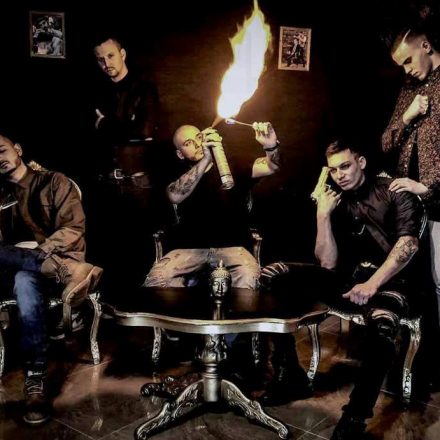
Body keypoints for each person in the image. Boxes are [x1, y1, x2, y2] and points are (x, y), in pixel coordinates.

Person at [260, 137, 429, 439]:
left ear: (361, 162)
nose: (340, 175)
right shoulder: (335, 198)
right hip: (350, 280)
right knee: (273, 275)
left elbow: (409, 244)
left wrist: (372, 284)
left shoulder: (393, 190)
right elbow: (327, 263)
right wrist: (322, 215)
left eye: (346, 166)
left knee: (383, 327)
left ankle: (355, 417)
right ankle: (290, 375)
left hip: (393, 283)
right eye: (334, 169)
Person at [0, 133, 103, 424]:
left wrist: (41, 250)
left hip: (56, 263)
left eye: (2, 150)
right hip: (25, 270)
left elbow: (74, 228)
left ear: (18, 149)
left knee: (24, 279)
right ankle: (62, 271)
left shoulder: (54, 182)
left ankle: (35, 381)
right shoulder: (1, 195)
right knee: (21, 275)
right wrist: (27, 256)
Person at [143, 122, 281, 289]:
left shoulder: (233, 164)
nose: (197, 144)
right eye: (188, 143)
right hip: (188, 250)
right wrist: (207, 159)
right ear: (180, 154)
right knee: (158, 278)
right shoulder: (174, 172)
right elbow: (175, 195)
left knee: (250, 278)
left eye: (198, 137)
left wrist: (270, 146)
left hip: (233, 248)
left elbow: (271, 166)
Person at [90, 34, 166, 292]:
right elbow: (90, 136)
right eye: (100, 59)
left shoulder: (143, 87)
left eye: (110, 56)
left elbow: (145, 131)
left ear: (122, 54)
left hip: (137, 184)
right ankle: (111, 308)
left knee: (138, 251)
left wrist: (106, 124)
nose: (106, 63)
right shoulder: (97, 92)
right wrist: (126, 127)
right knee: (107, 251)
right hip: (106, 183)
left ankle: (140, 307)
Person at [382, 23, 440, 323]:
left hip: (437, 201)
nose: (407, 70)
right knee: (421, 285)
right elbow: (386, 143)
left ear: (426, 46)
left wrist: (427, 186)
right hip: (411, 207)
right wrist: (407, 115)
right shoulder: (409, 88)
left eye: (408, 60)